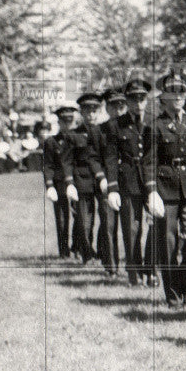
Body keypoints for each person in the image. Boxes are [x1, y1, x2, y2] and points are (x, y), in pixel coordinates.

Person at [143, 71, 186, 309]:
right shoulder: (154, 126)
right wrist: (151, 191)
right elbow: (149, 161)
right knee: (167, 242)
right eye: (174, 92)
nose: (179, 96)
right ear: (164, 97)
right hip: (165, 188)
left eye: (183, 92)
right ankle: (172, 291)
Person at [103, 82, 158, 287]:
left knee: (155, 224)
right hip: (129, 180)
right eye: (133, 99)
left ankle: (152, 269)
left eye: (142, 98)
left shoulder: (155, 121)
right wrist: (112, 188)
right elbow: (110, 158)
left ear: (147, 100)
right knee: (132, 228)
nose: (138, 103)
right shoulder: (115, 126)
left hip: (152, 179)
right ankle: (134, 271)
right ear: (126, 101)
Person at [69, 91, 114, 273]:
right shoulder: (73, 135)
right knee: (84, 221)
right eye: (87, 110)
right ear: (81, 112)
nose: (91, 114)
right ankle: (87, 252)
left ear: (100, 110)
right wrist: (70, 183)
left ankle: (105, 255)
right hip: (83, 181)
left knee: (107, 219)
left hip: (102, 180)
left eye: (94, 110)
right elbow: (68, 160)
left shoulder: (106, 131)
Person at [41, 114, 73, 259]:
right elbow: (47, 165)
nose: (68, 125)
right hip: (60, 183)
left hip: (77, 182)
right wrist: (49, 185)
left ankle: (79, 248)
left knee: (80, 217)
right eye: (64, 122)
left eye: (70, 121)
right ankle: (64, 250)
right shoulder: (51, 142)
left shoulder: (79, 139)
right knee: (61, 218)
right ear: (59, 123)